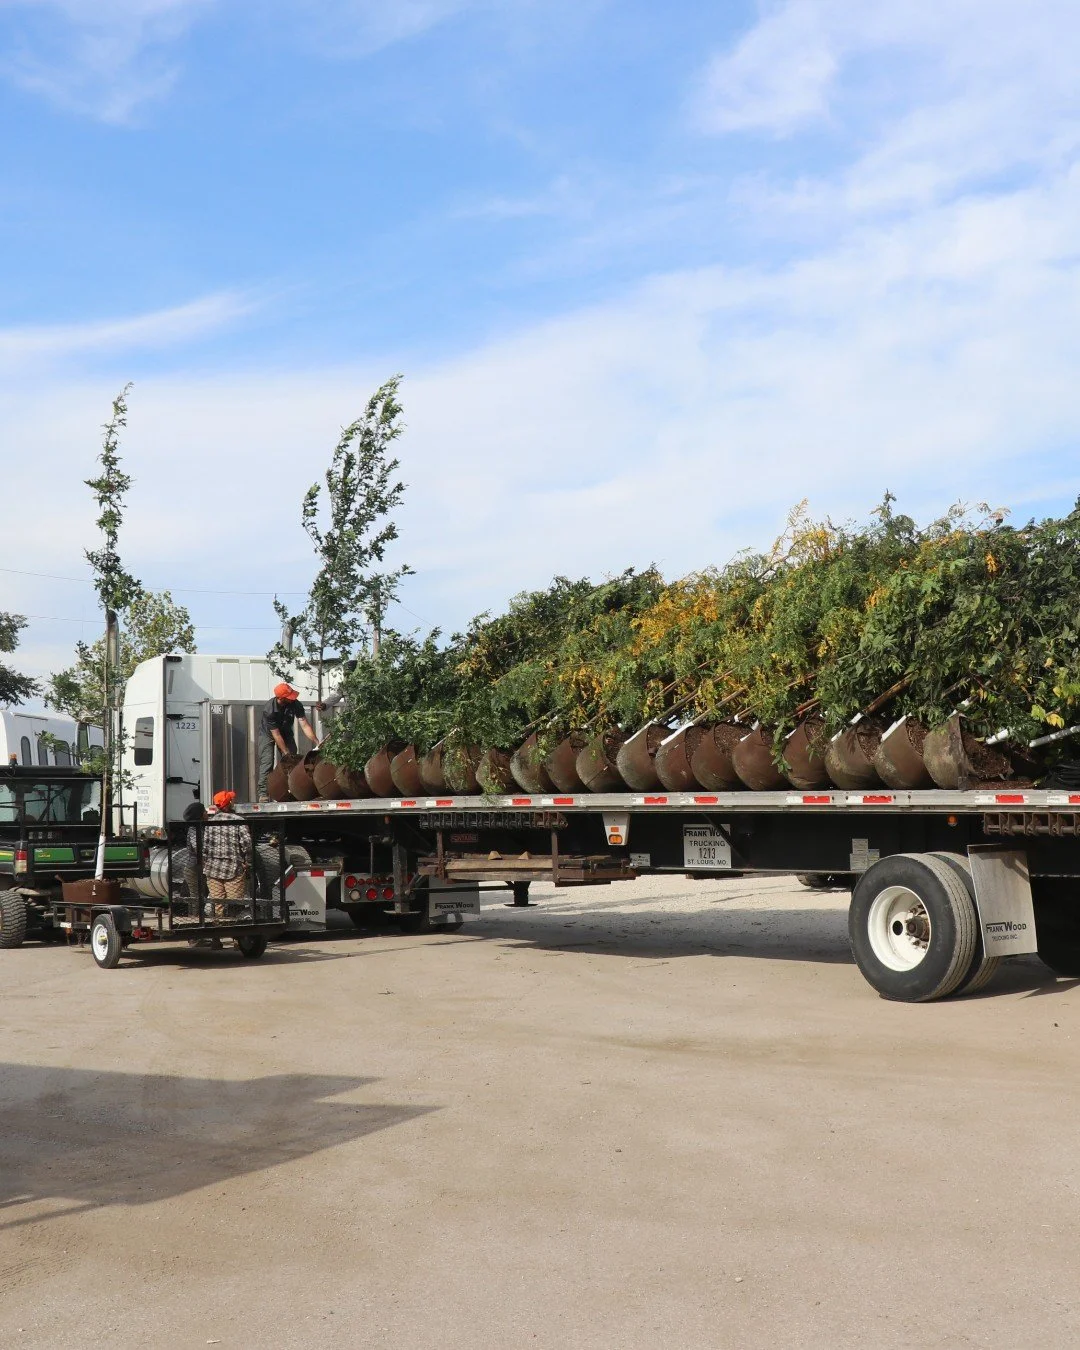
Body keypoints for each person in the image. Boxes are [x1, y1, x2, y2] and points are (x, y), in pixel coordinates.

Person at [257, 682, 318, 800]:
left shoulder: (295, 704)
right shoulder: (269, 710)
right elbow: (276, 735)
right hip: (268, 734)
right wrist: (285, 752)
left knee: (292, 761)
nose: (293, 699)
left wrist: (316, 741)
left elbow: (304, 725)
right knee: (267, 762)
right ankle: (263, 793)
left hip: (286, 732)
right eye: (290, 697)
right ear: (281, 698)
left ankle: (294, 790)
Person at [199, 789, 252, 918]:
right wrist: (248, 862)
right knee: (235, 903)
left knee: (218, 904)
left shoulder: (210, 823)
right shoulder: (239, 820)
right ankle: (235, 930)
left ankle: (218, 931)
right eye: (231, 800)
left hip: (212, 869)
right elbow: (247, 844)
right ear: (228, 803)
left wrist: (206, 863)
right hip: (233, 869)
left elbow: (205, 846)